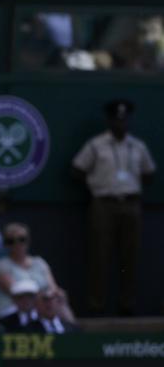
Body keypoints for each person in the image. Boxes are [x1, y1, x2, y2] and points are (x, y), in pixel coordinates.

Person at [72, 99, 156, 316]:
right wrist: (96, 184)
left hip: (131, 203)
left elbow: (149, 172)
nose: (121, 124)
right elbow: (77, 169)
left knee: (130, 256)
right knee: (100, 255)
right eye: (117, 120)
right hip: (104, 204)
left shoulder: (138, 146)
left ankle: (127, 305)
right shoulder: (96, 145)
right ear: (109, 121)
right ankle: (96, 305)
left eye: (124, 120)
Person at [0, 222, 70, 319]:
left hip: (42, 307)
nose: (17, 244)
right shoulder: (2, 265)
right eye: (11, 241)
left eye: (22, 239)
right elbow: (20, 294)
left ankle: (71, 328)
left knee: (61, 301)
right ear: (6, 244)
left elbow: (53, 288)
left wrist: (55, 297)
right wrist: (47, 298)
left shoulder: (39, 262)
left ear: (28, 241)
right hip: (14, 313)